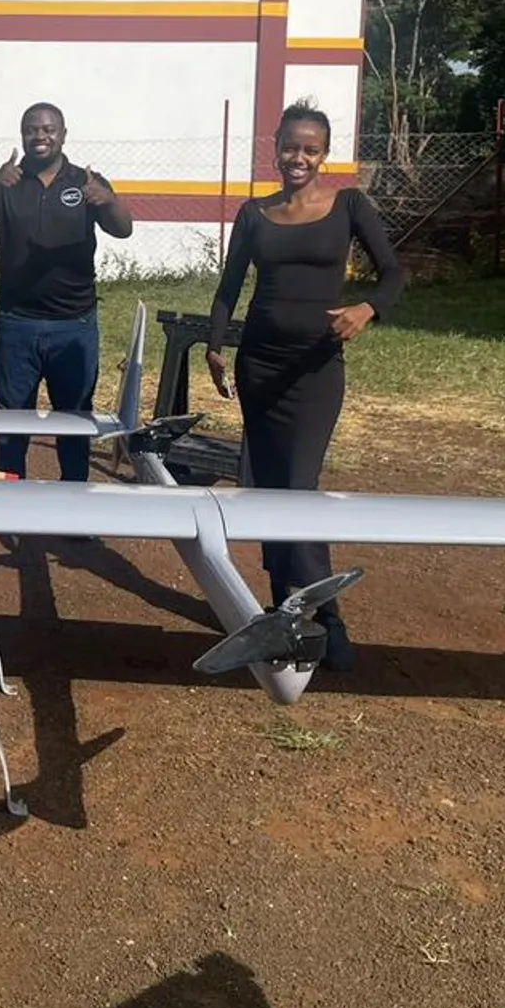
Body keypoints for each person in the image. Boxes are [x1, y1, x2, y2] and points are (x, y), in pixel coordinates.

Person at [205, 103, 404, 673]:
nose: (299, 157)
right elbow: (228, 289)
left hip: (315, 369)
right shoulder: (254, 214)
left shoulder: (349, 206)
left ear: (325, 153)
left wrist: (368, 308)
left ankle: (329, 616)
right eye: (290, 146)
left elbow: (395, 273)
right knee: (270, 489)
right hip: (260, 366)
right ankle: (280, 606)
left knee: (298, 487)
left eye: (311, 149)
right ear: (276, 148)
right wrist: (217, 347)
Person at [0, 102, 133, 481]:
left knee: (73, 421)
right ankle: (8, 504)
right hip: (17, 323)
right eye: (32, 129)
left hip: (75, 325)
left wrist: (109, 201)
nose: (40, 136)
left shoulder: (86, 181)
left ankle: (73, 505)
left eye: (49, 129)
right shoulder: (7, 182)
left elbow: (123, 229)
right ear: (22, 136)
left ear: (64, 134)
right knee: (11, 423)